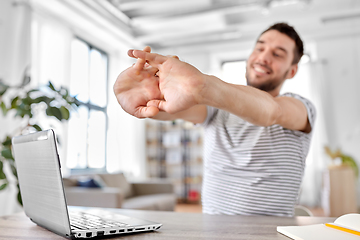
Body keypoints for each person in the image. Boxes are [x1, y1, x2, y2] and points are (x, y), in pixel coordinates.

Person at [114, 22, 316, 216]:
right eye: (259, 48)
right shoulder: (217, 109)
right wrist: (147, 96)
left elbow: (272, 111)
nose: (263, 57)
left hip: (270, 232)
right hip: (213, 230)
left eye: (277, 54)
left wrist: (203, 86)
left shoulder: (301, 108)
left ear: (292, 70)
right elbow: (171, 108)